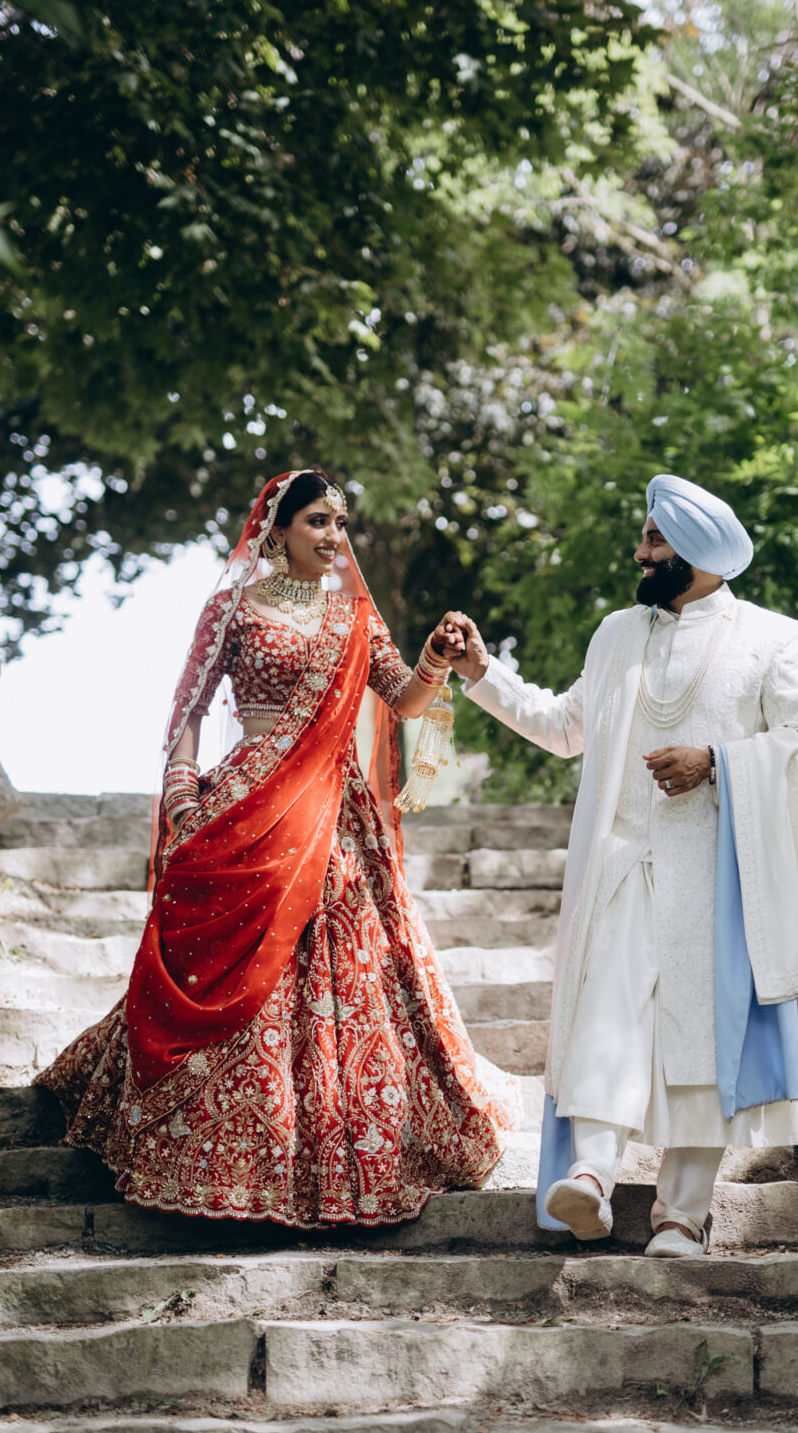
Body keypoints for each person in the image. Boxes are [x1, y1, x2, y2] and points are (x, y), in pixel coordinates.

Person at [38, 469, 518, 1229]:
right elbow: (191, 708)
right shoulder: (233, 606)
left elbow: (405, 701)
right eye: (318, 521)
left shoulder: (353, 616)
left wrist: (434, 654)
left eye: (340, 523)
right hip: (245, 801)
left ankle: (331, 1140)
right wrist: (185, 797)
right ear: (278, 528)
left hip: (332, 814)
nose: (333, 536)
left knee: (341, 962)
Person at [448, 474, 798, 1257]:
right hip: (623, 864)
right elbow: (565, 727)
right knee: (607, 1017)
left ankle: (682, 1218)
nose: (639, 552)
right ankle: (589, 1179)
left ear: (696, 551)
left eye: (654, 540)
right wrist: (482, 671)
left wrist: (716, 761)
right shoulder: (618, 633)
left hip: (722, 878)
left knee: (706, 1048)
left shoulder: (774, 639)